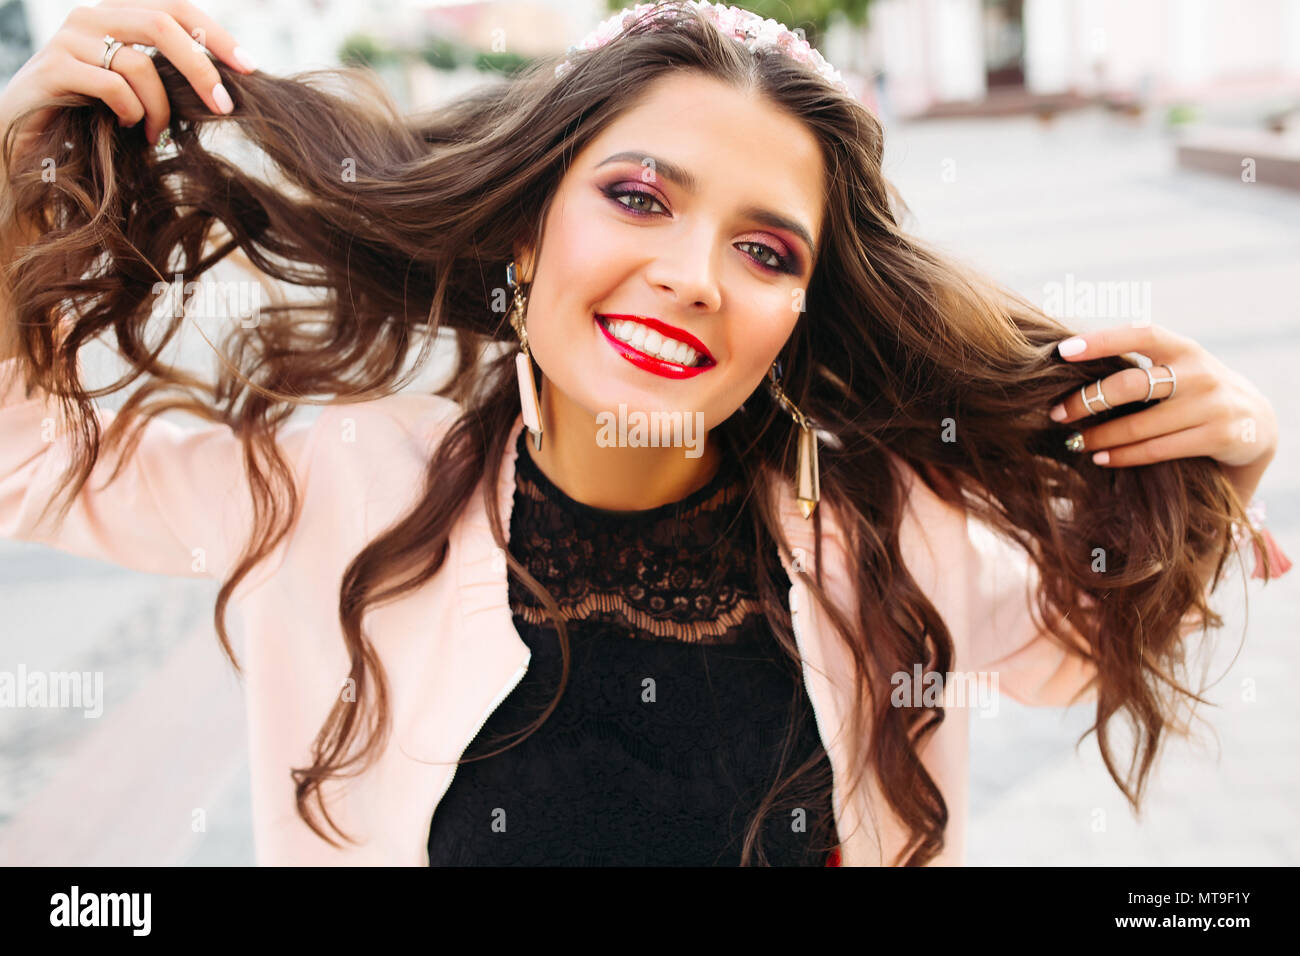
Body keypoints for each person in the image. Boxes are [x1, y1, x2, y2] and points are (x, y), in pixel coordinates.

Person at [0, 0, 1288, 866]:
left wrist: (1213, 468)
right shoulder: (339, 486)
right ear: (524, 226)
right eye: (636, 198)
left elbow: (1084, 643)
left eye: (765, 248)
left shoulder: (895, 526)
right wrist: (15, 156)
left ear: (800, 309)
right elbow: (28, 464)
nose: (691, 274)